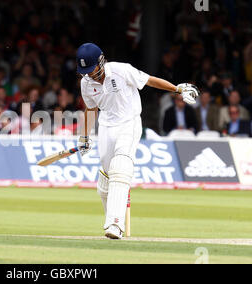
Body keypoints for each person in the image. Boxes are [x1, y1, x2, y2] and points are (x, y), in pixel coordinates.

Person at [76, 43, 199, 239]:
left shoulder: (121, 70)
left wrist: (177, 89)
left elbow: (149, 81)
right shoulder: (86, 84)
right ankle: (111, 218)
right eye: (86, 72)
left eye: (92, 70)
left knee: (121, 168)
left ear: (101, 62)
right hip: (107, 126)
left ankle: (115, 224)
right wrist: (84, 136)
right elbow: (91, 109)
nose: (91, 75)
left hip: (129, 123)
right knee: (107, 175)